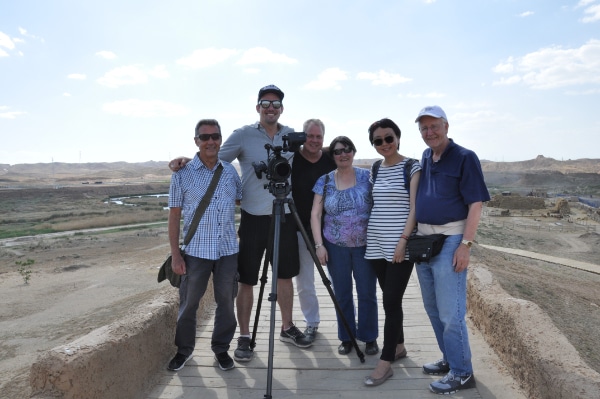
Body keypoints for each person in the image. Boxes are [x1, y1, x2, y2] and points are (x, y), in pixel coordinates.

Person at [169, 85, 312, 363]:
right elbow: (212, 160)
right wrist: (186, 160)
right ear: (257, 107)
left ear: (281, 107)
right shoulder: (243, 135)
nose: (270, 108)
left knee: (284, 276)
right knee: (246, 279)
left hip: (282, 214)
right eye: (265, 103)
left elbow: (311, 158)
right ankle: (244, 336)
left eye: (275, 104)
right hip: (253, 218)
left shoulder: (290, 135)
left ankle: (287, 326)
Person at [413, 105, 490, 395]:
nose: (429, 132)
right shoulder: (427, 156)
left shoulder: (465, 157)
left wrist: (466, 246)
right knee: (433, 309)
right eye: (424, 128)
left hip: (451, 240)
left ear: (446, 126)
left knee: (450, 312)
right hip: (425, 242)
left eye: (434, 126)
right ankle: (450, 359)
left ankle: (462, 373)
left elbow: (475, 204)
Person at [166, 118, 242, 372]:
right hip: (196, 253)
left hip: (228, 251)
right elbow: (174, 216)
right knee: (189, 305)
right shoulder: (182, 174)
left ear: (220, 139)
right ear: (196, 141)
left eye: (215, 136)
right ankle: (184, 351)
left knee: (226, 304)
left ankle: (221, 349)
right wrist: (176, 255)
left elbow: (242, 202)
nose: (211, 141)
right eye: (205, 137)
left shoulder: (230, 171)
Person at [363, 118, 421, 387]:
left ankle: (385, 362)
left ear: (398, 137)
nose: (384, 144)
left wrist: (403, 241)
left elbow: (414, 208)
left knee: (391, 301)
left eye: (389, 138)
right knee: (388, 295)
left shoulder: (411, 166)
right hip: (375, 241)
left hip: (400, 243)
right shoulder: (375, 168)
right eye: (378, 140)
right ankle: (398, 347)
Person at [310, 136, 379, 356]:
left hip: (365, 245)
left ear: (354, 152)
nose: (343, 154)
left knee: (367, 292)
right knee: (342, 293)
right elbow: (315, 213)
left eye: (347, 150)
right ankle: (347, 336)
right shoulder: (325, 181)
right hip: (335, 245)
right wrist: (319, 245)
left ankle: (369, 337)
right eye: (338, 151)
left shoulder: (367, 177)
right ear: (333, 156)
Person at [290, 119, 336, 343]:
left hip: (331, 228)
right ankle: (312, 323)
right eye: (310, 136)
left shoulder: (330, 160)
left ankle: (348, 326)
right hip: (300, 228)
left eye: (319, 137)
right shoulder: (292, 159)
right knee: (305, 281)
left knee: (338, 279)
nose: (314, 141)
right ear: (303, 136)